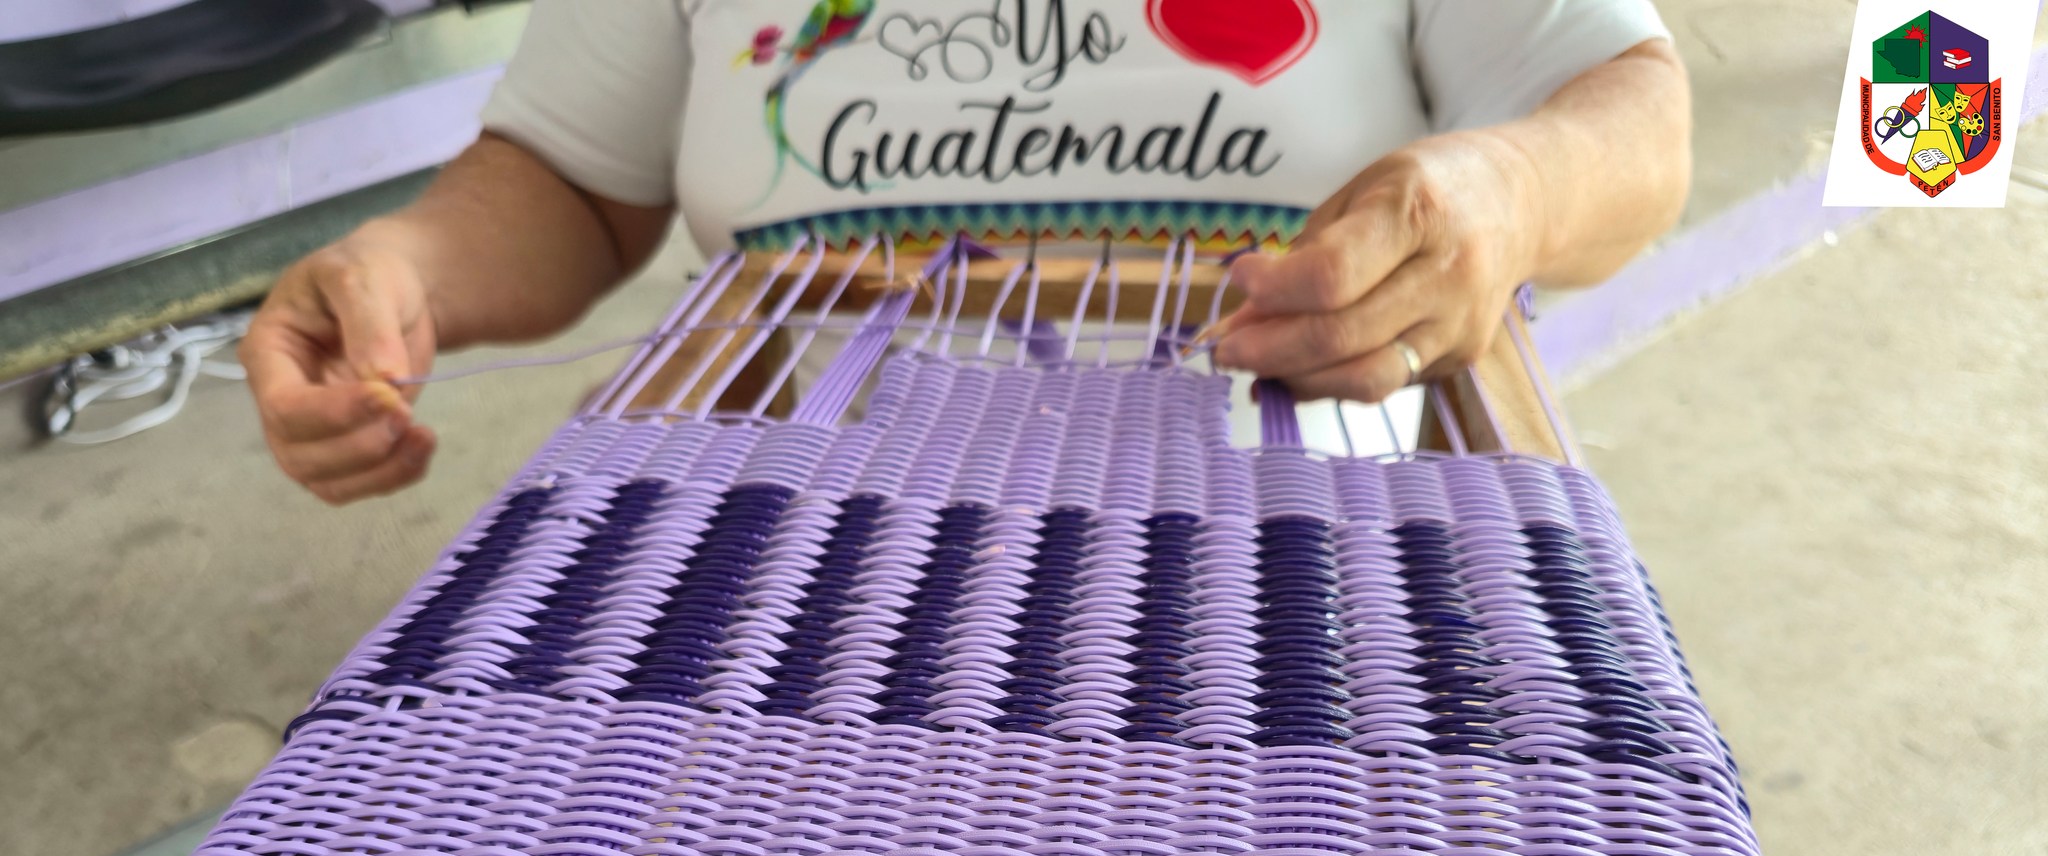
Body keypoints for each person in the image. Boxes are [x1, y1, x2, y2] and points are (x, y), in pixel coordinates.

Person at [241, 0, 1689, 504]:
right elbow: (573, 179)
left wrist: (1510, 187)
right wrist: (407, 270)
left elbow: (1629, 117)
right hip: (805, 568)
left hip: (1295, 564)